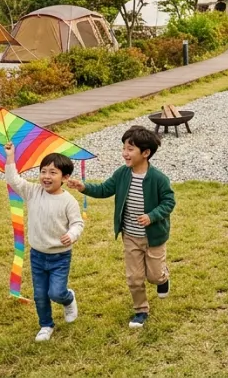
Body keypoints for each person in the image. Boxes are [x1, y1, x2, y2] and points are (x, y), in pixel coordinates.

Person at [67, 126, 175, 329]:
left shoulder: (159, 178)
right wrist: (85, 187)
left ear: (146, 153)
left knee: (154, 275)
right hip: (131, 236)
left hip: (154, 238)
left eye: (130, 149)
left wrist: (152, 216)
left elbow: (169, 202)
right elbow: (105, 189)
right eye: (124, 147)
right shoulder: (122, 174)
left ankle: (163, 276)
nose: (125, 153)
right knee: (134, 277)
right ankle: (141, 310)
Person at [4, 144, 84, 342]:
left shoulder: (68, 201)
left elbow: (77, 223)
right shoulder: (33, 192)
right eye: (43, 171)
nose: (46, 176)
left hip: (60, 256)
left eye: (53, 172)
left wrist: (72, 234)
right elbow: (13, 179)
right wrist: (10, 156)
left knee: (56, 292)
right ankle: (46, 325)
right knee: (40, 295)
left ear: (65, 178)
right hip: (38, 254)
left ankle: (68, 298)